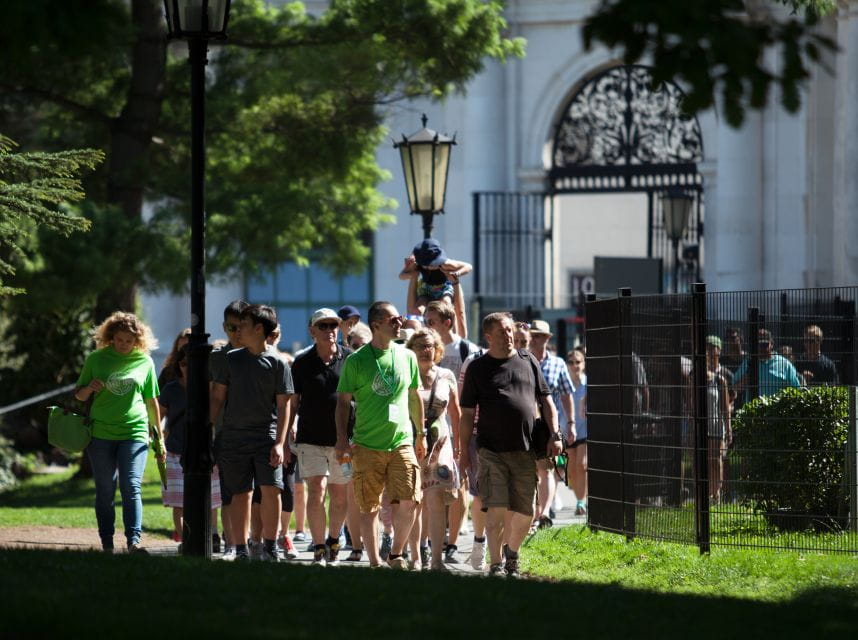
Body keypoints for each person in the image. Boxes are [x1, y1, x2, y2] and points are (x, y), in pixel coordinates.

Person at [459, 312, 562, 577]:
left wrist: (556, 434)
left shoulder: (528, 360)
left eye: (509, 330)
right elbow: (467, 414)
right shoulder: (477, 368)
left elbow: (546, 400)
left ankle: (512, 554)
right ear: (488, 336)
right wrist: (463, 452)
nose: (508, 335)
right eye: (501, 331)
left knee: (525, 511)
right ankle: (496, 564)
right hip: (490, 450)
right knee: (495, 509)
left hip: (525, 449)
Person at [335, 301, 426, 569]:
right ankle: (374, 562)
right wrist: (342, 440)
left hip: (402, 442)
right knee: (369, 507)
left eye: (400, 318)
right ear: (376, 325)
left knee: (410, 500)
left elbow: (414, 396)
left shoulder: (407, 356)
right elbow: (343, 403)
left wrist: (420, 434)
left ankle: (396, 554)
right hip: (366, 444)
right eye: (393, 320)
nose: (399, 323)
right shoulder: (356, 360)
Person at [210, 304, 294, 562]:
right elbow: (217, 398)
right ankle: (240, 548)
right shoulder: (231, 359)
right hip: (234, 437)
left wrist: (280, 443)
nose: (238, 330)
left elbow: (284, 405)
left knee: (272, 489)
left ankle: (270, 546)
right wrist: (207, 431)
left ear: (259, 329)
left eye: (243, 325)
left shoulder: (278, 363)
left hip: (266, 437)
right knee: (240, 492)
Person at [74, 311, 163, 554]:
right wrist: (89, 388)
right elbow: (79, 395)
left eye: (129, 341)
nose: (124, 344)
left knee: (131, 486)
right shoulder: (96, 359)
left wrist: (158, 436)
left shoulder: (145, 362)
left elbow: (151, 401)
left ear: (138, 340)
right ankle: (107, 542)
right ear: (111, 337)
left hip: (134, 432)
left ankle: (134, 541)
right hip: (100, 434)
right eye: (119, 339)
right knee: (105, 489)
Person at [290, 308, 354, 566]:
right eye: (323, 326)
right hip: (310, 439)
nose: (329, 330)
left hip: (343, 441)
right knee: (316, 490)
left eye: (333, 325)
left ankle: (333, 541)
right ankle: (318, 547)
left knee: (340, 495)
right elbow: (293, 401)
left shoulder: (350, 359)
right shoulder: (302, 362)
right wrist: (288, 431)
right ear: (312, 331)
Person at [423, 300, 481, 563]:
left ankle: (453, 544)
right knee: (430, 487)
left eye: (432, 321)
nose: (427, 326)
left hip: (458, 426)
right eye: (425, 321)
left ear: (447, 323)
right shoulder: (422, 348)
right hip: (429, 430)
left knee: (459, 486)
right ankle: (429, 541)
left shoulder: (467, 350)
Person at [406, 327, 462, 571]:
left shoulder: (446, 375)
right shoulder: (406, 375)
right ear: (411, 350)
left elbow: (456, 413)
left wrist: (459, 446)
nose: (426, 350)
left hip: (440, 444)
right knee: (413, 502)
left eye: (430, 345)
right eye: (420, 346)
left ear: (437, 349)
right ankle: (416, 556)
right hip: (411, 443)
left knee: (436, 499)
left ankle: (437, 559)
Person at [158, 347, 222, 548]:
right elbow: (158, 417)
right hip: (175, 451)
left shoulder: (209, 388)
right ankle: (186, 540)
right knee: (179, 501)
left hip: (205, 450)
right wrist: (158, 441)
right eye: (184, 364)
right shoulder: (170, 389)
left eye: (192, 364)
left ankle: (212, 535)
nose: (188, 368)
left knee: (211, 498)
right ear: (178, 366)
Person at [527, 320, 576, 529]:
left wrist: (571, 423)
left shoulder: (558, 364)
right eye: (532, 335)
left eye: (538, 335)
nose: (533, 339)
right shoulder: (522, 360)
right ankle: (534, 511)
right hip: (526, 424)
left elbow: (566, 395)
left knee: (546, 468)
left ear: (547, 339)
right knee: (530, 471)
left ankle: (544, 513)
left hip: (549, 426)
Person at [210, 299, 248, 559]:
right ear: (224, 327)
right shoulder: (216, 359)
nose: (236, 333)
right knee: (229, 493)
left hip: (257, 431)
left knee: (253, 495)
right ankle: (232, 544)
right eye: (231, 327)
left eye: (241, 327)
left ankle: (251, 542)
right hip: (226, 432)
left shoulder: (261, 356)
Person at [400, 238, 472, 336]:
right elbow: (401, 276)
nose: (431, 267)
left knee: (446, 304)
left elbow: (468, 266)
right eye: (427, 265)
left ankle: (451, 332)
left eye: (433, 264)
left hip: (443, 287)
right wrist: (412, 273)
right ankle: (419, 331)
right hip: (426, 288)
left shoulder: (445, 264)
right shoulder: (417, 264)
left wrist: (457, 273)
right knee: (418, 309)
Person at [733, 328, 802, 400]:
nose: (761, 348)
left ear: (771, 344)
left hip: (777, 406)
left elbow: (796, 390)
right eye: (758, 344)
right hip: (755, 407)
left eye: (764, 345)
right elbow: (735, 388)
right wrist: (747, 377)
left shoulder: (785, 364)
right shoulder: (748, 362)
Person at [566, 347, 588, 515]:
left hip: (585, 429)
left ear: (584, 363)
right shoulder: (564, 383)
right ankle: (579, 498)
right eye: (572, 362)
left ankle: (581, 502)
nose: (575, 366)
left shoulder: (588, 383)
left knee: (582, 464)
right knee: (571, 469)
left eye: (578, 362)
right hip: (567, 429)